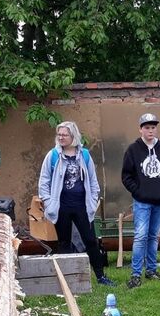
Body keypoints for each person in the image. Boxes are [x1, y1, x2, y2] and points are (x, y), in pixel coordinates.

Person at [38, 121, 117, 287]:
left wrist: (94, 198)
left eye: (64, 134)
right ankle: (68, 280)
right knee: (64, 242)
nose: (61, 137)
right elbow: (44, 181)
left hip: (81, 206)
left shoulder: (84, 155)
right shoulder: (52, 156)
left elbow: (93, 181)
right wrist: (47, 201)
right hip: (61, 207)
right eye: (59, 134)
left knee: (90, 240)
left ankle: (101, 276)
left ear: (73, 136)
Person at [122, 112, 160, 289]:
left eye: (153, 127)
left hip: (159, 200)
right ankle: (136, 273)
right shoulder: (133, 150)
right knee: (140, 236)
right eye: (147, 127)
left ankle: (151, 270)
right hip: (142, 201)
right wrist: (138, 192)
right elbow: (126, 175)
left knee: (153, 236)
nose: (150, 131)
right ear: (140, 129)